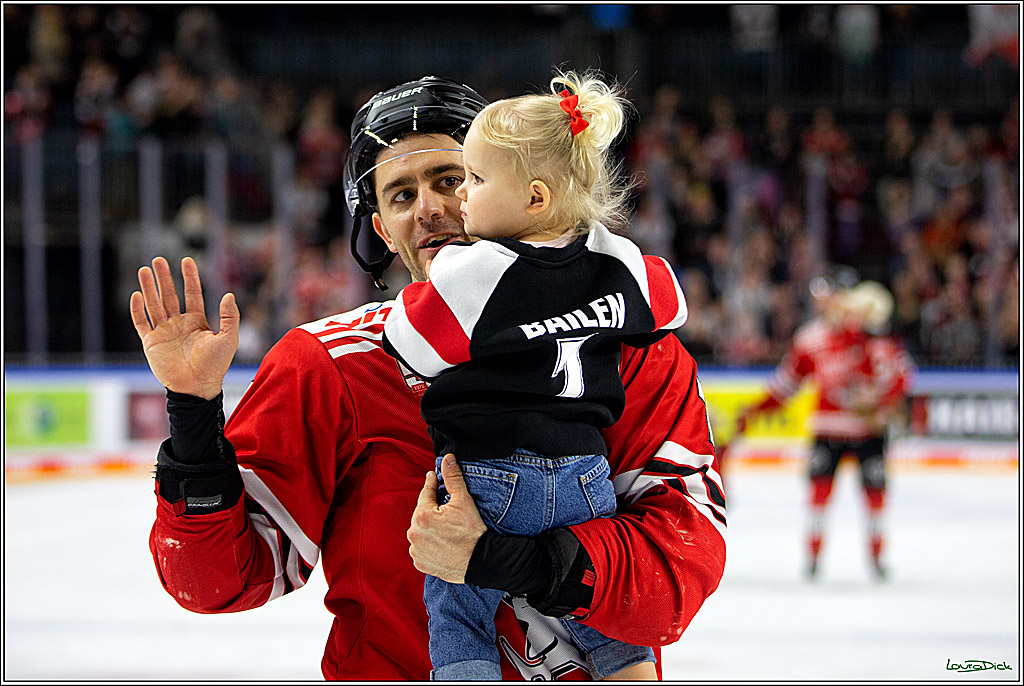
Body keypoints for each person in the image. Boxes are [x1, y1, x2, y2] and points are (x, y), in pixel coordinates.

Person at [129, 76, 726, 681]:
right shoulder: (329, 366)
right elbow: (218, 581)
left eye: (452, 179)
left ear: (519, 187)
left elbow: (684, 562)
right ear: (383, 231)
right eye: (400, 195)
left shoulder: (628, 348)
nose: (429, 208)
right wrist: (194, 412)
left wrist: (516, 563)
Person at [381, 71, 684, 680]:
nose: (461, 201)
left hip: (491, 475)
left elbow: (407, 340)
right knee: (599, 615)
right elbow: (669, 305)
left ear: (535, 197)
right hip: (588, 476)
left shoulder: (476, 271)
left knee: (456, 604)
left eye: (472, 179)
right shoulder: (616, 258)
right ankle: (628, 670)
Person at [735, 278, 913, 580]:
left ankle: (877, 560)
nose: (827, 303)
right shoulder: (811, 340)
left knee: (875, 497)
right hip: (827, 430)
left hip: (868, 432)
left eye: (834, 296)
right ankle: (813, 560)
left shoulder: (873, 335)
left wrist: (879, 401)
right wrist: (754, 411)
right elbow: (786, 386)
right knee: (818, 496)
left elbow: (900, 376)